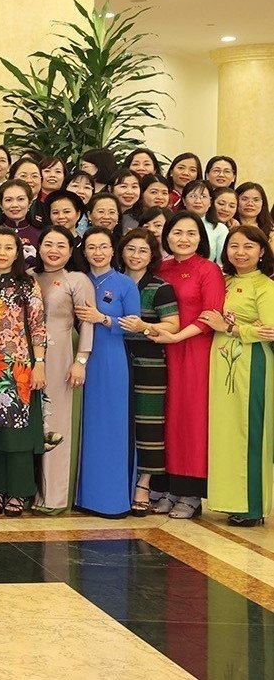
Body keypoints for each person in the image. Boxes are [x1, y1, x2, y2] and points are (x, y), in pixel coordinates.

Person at [151, 212, 225, 518]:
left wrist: (177, 336)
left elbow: (210, 315)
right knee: (165, 417)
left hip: (194, 351)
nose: (183, 238)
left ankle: (191, 493)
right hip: (161, 350)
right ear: (166, 236)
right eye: (177, 232)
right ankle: (167, 487)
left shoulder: (208, 270)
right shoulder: (160, 268)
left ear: (201, 238)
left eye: (191, 233)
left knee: (191, 420)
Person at [0, 228, 47, 517]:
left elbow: (39, 326)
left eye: (9, 247)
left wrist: (39, 363)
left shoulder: (27, 284)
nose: (2, 252)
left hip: (18, 367)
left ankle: (17, 493)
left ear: (18, 253)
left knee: (16, 433)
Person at [206, 226, 274, 526]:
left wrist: (230, 328)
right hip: (223, 363)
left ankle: (252, 506)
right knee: (228, 433)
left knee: (250, 432)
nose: (240, 252)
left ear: (261, 252)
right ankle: (231, 500)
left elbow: (270, 329)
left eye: (248, 246)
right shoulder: (225, 281)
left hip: (251, 363)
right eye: (234, 246)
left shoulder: (265, 286)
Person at [72, 227, 138, 517]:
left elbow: (134, 325)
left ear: (114, 251)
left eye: (103, 247)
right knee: (80, 425)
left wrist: (104, 319)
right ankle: (79, 495)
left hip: (111, 359)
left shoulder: (125, 284)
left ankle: (110, 499)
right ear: (83, 251)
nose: (97, 252)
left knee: (109, 426)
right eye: (91, 247)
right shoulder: (77, 280)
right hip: (74, 359)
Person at [116, 227, 179, 515]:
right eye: (131, 249)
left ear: (152, 255)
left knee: (148, 425)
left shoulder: (160, 287)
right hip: (115, 361)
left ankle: (144, 483)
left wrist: (145, 326)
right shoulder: (113, 283)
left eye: (143, 250)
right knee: (119, 424)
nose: (136, 255)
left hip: (150, 364)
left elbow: (173, 325)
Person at [33, 226, 94, 514]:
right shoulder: (31, 277)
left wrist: (80, 360)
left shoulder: (77, 280)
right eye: (48, 243)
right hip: (30, 359)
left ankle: (55, 497)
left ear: (71, 251)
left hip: (61, 356)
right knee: (33, 423)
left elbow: (87, 323)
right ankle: (32, 491)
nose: (53, 250)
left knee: (56, 422)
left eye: (61, 245)